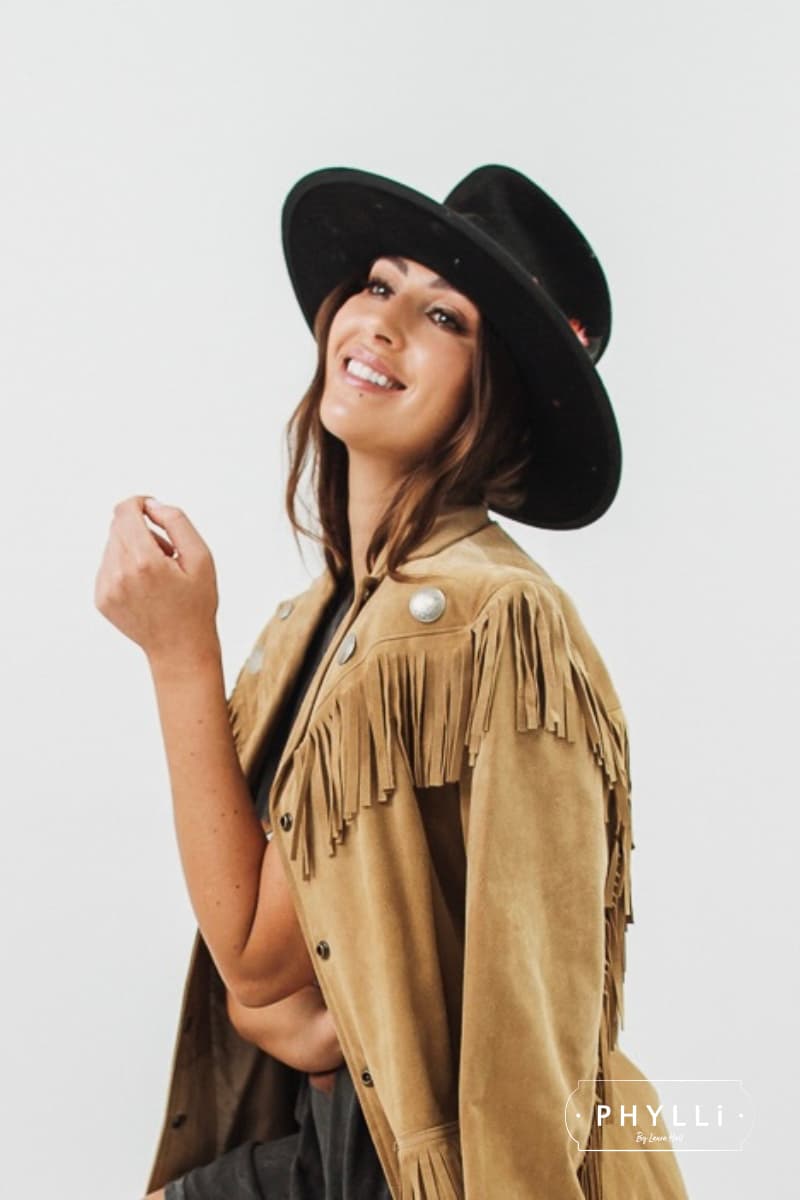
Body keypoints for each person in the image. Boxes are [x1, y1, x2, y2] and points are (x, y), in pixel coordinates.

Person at [95, 165, 690, 1199]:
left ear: (491, 393)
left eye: (441, 315)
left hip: (446, 1169)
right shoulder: (320, 620)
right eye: (377, 284)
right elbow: (279, 1002)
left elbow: (516, 1008)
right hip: (339, 1142)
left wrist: (179, 652)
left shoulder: (493, 617)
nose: (381, 323)